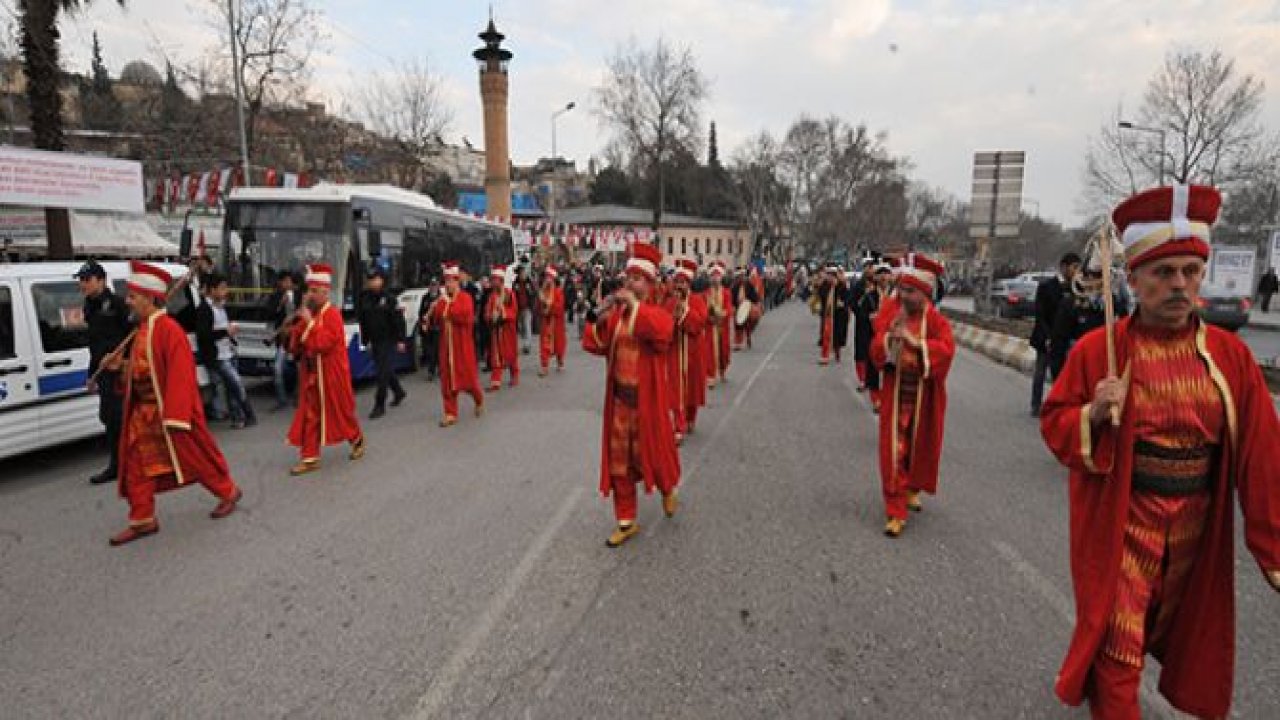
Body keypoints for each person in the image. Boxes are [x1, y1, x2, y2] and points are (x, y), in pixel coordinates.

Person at [1040, 184, 1280, 720]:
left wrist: (1273, 545)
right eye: (1164, 272)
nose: (1179, 285)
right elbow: (1055, 424)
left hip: (1196, 530)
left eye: (1191, 272)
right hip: (1124, 524)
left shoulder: (1231, 358)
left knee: (1183, 632)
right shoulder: (1098, 352)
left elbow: (1264, 455)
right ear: (1134, 279)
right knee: (1118, 644)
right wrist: (1093, 414)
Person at [107, 261, 241, 546]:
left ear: (148, 298)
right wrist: (121, 368)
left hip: (168, 412)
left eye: (132, 296)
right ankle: (142, 518)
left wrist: (177, 416)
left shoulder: (169, 330)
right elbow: (142, 370)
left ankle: (228, 491)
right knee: (136, 465)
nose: (127, 302)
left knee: (194, 459)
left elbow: (182, 375)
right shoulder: (141, 330)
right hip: (143, 414)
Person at [583, 242, 681, 548]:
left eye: (637, 279)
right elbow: (596, 345)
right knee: (619, 463)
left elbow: (662, 332)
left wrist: (635, 307)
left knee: (655, 455)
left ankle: (667, 487)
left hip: (647, 404)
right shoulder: (618, 316)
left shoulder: (656, 312)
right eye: (628, 278)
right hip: (620, 404)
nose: (629, 283)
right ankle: (626, 520)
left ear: (649, 284)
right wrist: (598, 318)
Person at [870, 254, 955, 538]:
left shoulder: (937, 322)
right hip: (896, 395)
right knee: (894, 451)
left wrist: (916, 344)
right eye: (902, 289)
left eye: (910, 291)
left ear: (924, 293)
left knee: (920, 449)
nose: (903, 295)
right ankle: (895, 509)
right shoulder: (892, 313)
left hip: (924, 398)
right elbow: (875, 351)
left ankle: (911, 488)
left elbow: (946, 352)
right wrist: (888, 340)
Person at [286, 264, 366, 476]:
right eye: (309, 290)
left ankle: (356, 438)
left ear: (325, 292)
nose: (310, 295)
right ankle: (310, 457)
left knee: (340, 412)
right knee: (310, 415)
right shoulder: (310, 313)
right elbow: (298, 344)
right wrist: (294, 327)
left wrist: (309, 323)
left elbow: (323, 343)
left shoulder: (333, 315)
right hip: (312, 373)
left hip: (331, 374)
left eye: (314, 291)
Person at [77, 260, 133, 485]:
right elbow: (94, 344)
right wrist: (92, 375)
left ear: (101, 280)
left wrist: (123, 360)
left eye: (87, 279)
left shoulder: (118, 304)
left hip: (119, 371)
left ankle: (119, 465)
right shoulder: (88, 306)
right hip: (103, 371)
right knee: (108, 417)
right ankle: (121, 463)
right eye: (81, 280)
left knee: (116, 418)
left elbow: (134, 335)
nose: (83, 284)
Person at [195, 273, 257, 429]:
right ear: (212, 290)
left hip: (228, 351)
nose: (226, 291)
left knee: (231, 388)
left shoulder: (222, 307)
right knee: (236, 383)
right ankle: (248, 414)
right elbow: (203, 335)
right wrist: (225, 332)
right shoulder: (204, 309)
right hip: (217, 356)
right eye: (222, 288)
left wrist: (230, 336)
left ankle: (238, 418)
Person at [425, 262, 484, 427]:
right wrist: (431, 313)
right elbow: (438, 318)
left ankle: (478, 399)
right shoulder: (442, 300)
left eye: (451, 281)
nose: (448, 285)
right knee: (447, 381)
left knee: (468, 380)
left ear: (457, 282)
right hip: (446, 346)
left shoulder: (465, 298)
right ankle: (450, 412)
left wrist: (447, 306)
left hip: (462, 346)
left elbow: (462, 316)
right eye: (446, 281)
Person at [1029, 253, 1081, 417]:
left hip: (1063, 340)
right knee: (1040, 371)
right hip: (1045, 337)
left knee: (1060, 374)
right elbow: (1040, 315)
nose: (1077, 271)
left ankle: (1057, 405)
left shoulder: (1077, 289)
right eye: (1074, 267)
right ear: (1064, 267)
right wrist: (1048, 337)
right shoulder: (1046, 287)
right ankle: (1036, 405)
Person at [664, 258, 708, 442]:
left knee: (692, 388)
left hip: (693, 351)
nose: (679, 285)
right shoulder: (670, 301)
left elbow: (699, 323)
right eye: (677, 281)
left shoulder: (697, 300)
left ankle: (690, 418)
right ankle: (678, 425)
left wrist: (684, 311)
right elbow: (664, 324)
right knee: (676, 388)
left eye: (683, 282)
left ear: (688, 283)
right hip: (675, 351)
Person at [358, 267, 407, 419]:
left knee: (381, 373)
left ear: (381, 280)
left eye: (375, 279)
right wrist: (365, 341)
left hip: (388, 339)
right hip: (374, 340)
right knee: (385, 369)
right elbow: (363, 322)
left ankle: (379, 404)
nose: (372, 282)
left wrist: (401, 340)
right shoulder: (364, 298)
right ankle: (398, 391)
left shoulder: (390, 298)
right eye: (370, 280)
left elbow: (398, 321)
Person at [266, 272, 300, 411]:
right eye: (284, 281)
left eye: (288, 281)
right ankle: (281, 399)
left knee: (300, 369)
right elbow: (269, 313)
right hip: (283, 339)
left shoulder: (299, 295)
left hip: (297, 338)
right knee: (277, 368)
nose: (286, 284)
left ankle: (299, 397)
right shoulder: (276, 296)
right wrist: (280, 304)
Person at [484, 266, 520, 391]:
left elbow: (514, 311)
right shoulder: (492, 296)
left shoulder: (509, 294)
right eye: (493, 280)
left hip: (508, 330)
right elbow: (487, 311)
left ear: (501, 281)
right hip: (496, 331)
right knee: (496, 356)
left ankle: (514, 375)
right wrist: (490, 317)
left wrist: (503, 314)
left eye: (496, 280)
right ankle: (496, 381)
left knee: (511, 354)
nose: (494, 283)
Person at [705, 262, 733, 386]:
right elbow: (704, 309)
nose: (715, 278)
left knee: (724, 350)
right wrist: (709, 317)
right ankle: (710, 376)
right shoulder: (706, 293)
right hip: (711, 326)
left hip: (722, 326)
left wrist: (723, 314)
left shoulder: (726, 292)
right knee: (710, 351)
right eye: (713, 276)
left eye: (717, 276)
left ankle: (722, 371)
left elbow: (729, 308)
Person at [537, 267, 567, 376]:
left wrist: (549, 305)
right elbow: (538, 308)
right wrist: (542, 305)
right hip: (546, 322)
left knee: (559, 344)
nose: (547, 279)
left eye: (549, 277)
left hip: (556, 323)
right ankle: (544, 366)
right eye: (546, 277)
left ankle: (560, 361)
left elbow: (560, 308)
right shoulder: (542, 291)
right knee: (544, 344)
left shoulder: (558, 292)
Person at [416, 278, 443, 382]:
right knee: (429, 351)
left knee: (437, 350)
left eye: (435, 285)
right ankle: (432, 370)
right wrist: (422, 324)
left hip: (438, 328)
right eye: (432, 285)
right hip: (428, 327)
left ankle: (437, 370)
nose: (433, 287)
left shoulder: (442, 298)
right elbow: (421, 312)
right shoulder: (425, 298)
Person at [731, 267, 761, 351]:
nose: (741, 277)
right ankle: (738, 344)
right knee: (738, 326)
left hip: (748, 308)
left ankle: (748, 336)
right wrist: (733, 306)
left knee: (748, 325)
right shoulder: (734, 286)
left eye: (742, 275)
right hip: (738, 308)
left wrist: (756, 303)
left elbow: (754, 296)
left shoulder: (748, 285)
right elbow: (732, 298)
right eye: (739, 276)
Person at [513, 264, 535, 354]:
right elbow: (513, 295)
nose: (522, 274)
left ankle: (527, 345)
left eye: (523, 273)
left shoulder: (529, 282)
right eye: (520, 273)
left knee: (527, 325)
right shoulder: (515, 283)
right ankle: (525, 342)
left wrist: (530, 291)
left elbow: (533, 293)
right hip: (518, 308)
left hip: (527, 307)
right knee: (522, 327)